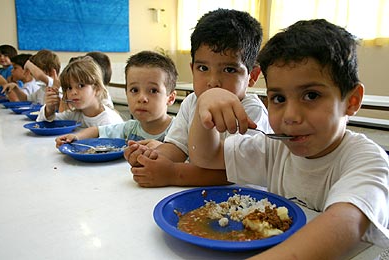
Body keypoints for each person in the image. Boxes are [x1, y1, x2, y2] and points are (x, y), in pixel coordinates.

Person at [187, 19, 389, 259]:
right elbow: (205, 156)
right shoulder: (275, 147)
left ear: (352, 101)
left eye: (311, 95)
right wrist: (205, 106)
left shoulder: (366, 160)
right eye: (279, 99)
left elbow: (344, 224)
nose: (291, 117)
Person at [124, 9, 270, 187]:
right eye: (203, 68)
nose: (213, 82)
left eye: (229, 70)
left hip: (242, 200)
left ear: (252, 76)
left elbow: (236, 172)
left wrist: (172, 174)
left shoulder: (251, 111)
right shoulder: (191, 101)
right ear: (193, 69)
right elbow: (177, 147)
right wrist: (150, 159)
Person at [54, 50, 177, 148]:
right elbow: (97, 130)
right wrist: (76, 137)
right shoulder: (129, 128)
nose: (141, 98)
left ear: (170, 98)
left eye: (153, 91)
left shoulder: (179, 129)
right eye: (134, 90)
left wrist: (164, 150)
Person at [36, 56, 123, 127]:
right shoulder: (76, 115)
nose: (73, 92)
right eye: (69, 88)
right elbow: (41, 125)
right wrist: (49, 109)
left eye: (81, 86)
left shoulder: (108, 121)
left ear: (97, 89)